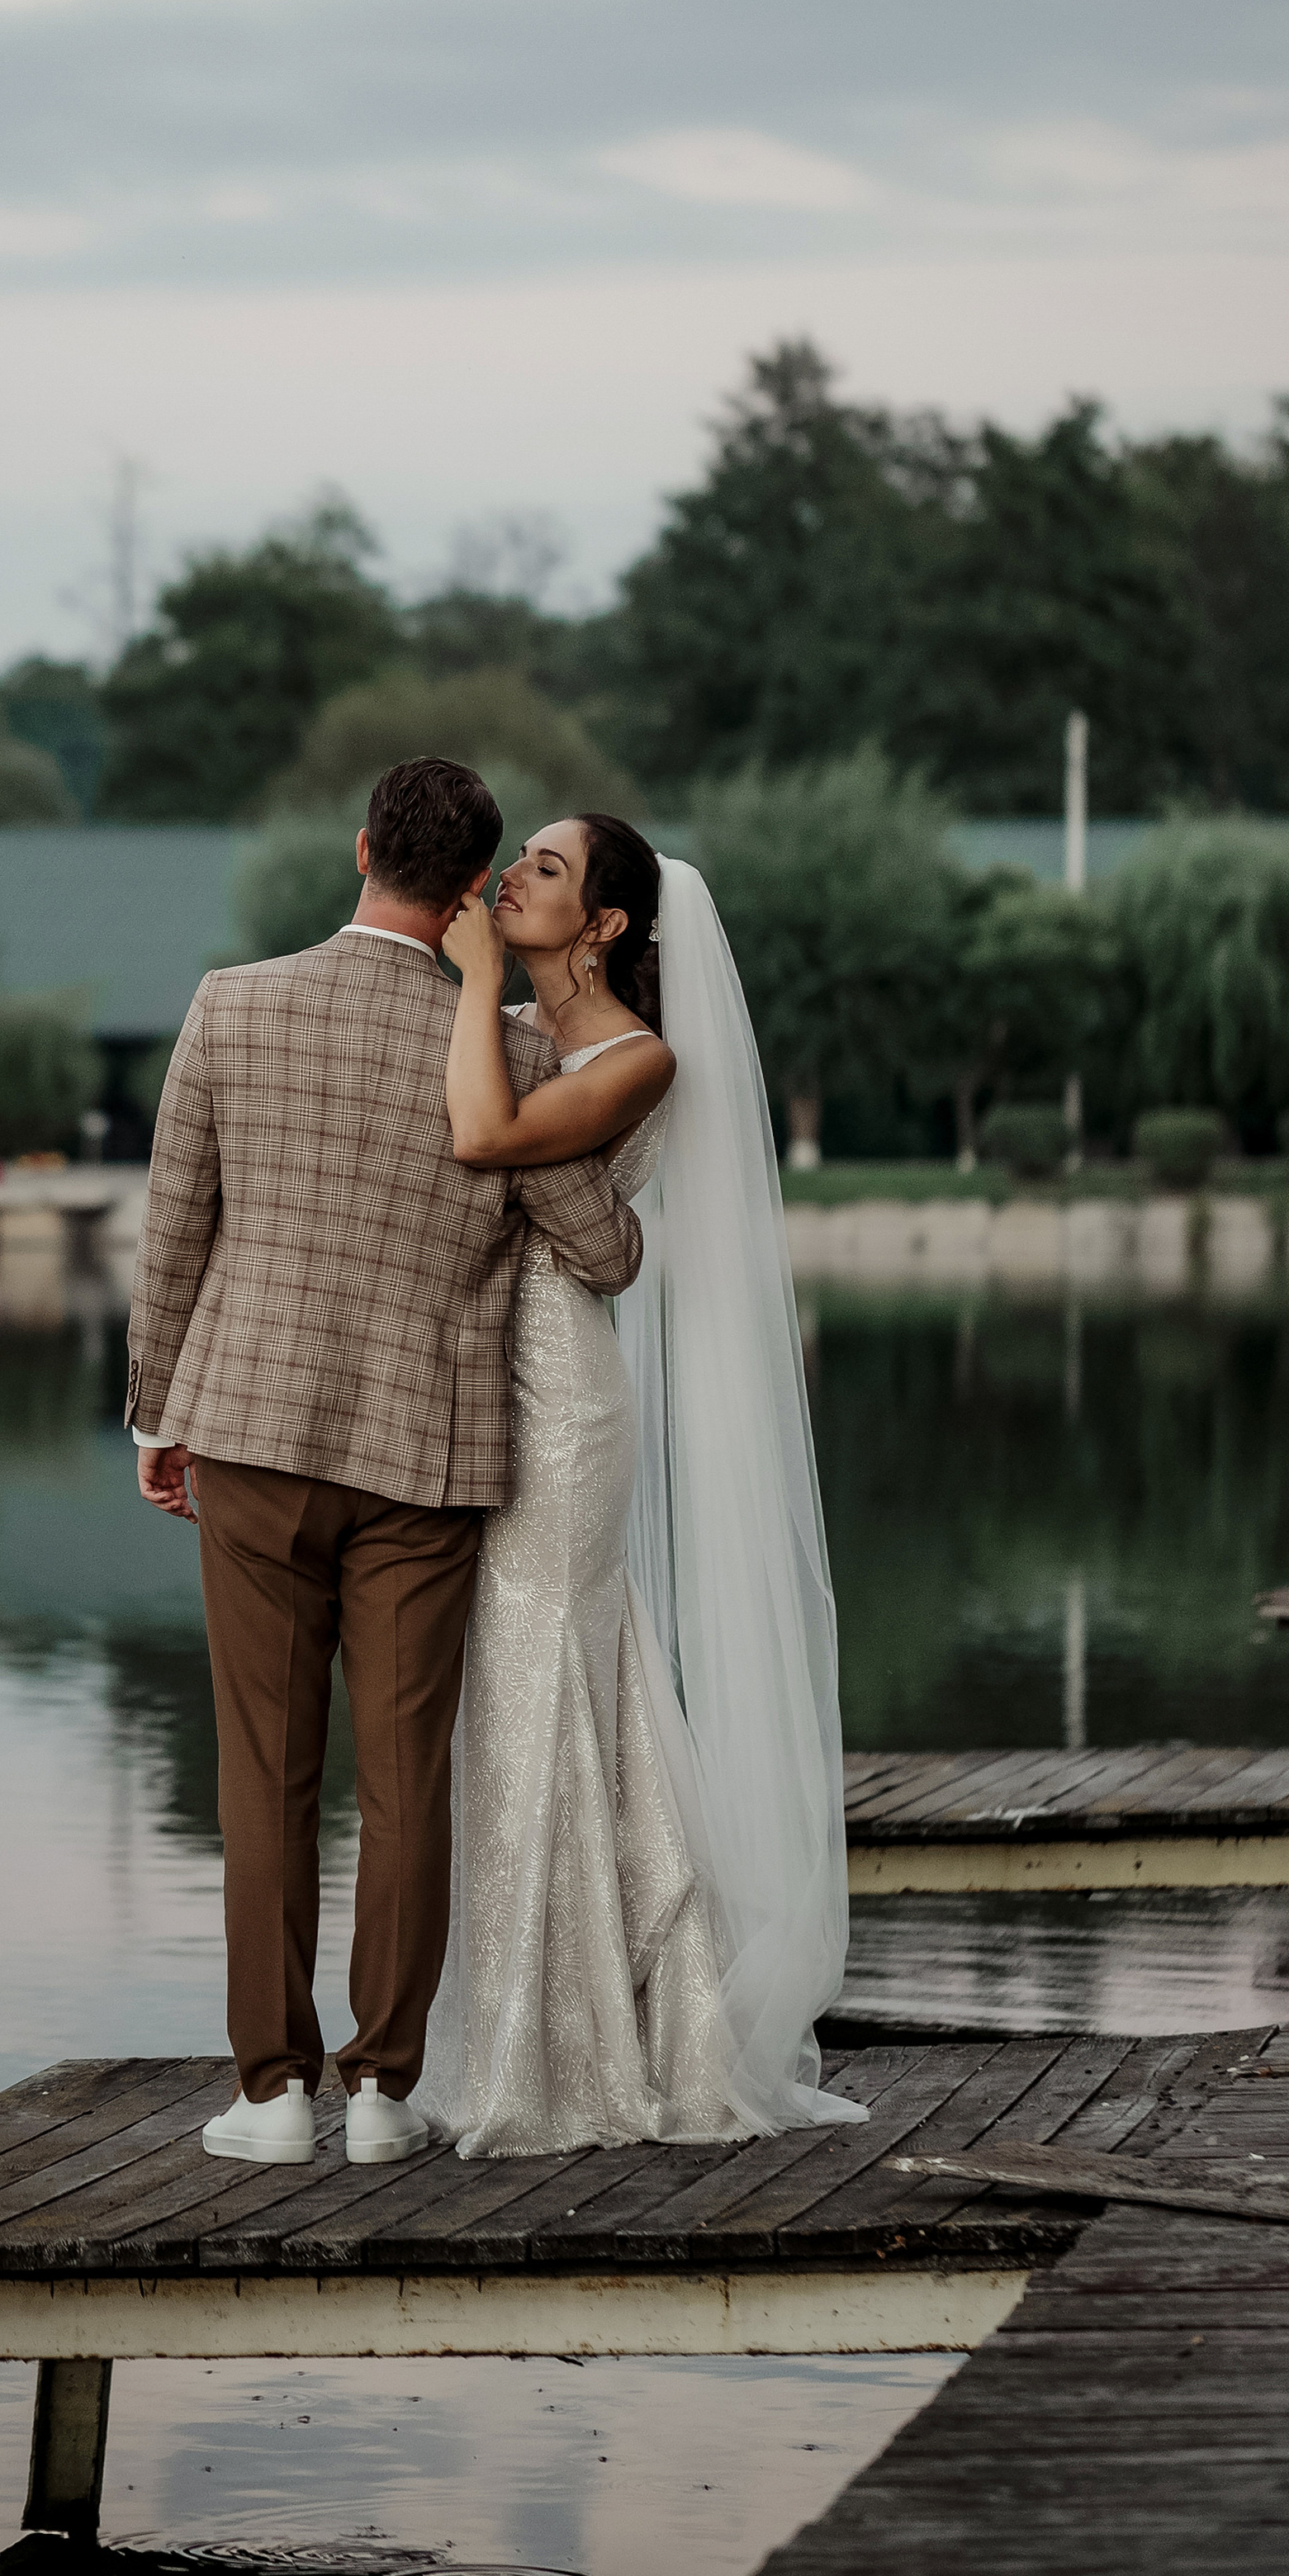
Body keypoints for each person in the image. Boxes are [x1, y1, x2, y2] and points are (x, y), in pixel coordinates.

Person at [127, 760, 643, 2171]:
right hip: (429, 1452)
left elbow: (175, 1231)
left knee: (265, 1773)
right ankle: (378, 2096)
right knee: (407, 1777)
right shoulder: (520, 1055)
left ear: (361, 850)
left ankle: (270, 2093)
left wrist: (154, 1417)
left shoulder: (233, 1004)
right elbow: (607, 1254)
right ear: (475, 887)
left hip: (249, 1431)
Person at [419, 815, 863, 2153]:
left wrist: (469, 983)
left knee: (537, 1688)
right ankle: (570, 2019)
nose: (512, 880)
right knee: (530, 1700)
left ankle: (562, 2057)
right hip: (486, 1380)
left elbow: (486, 1138)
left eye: (545, 870)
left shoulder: (638, 1056)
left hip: (563, 1401)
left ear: (607, 923)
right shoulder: (534, 1024)